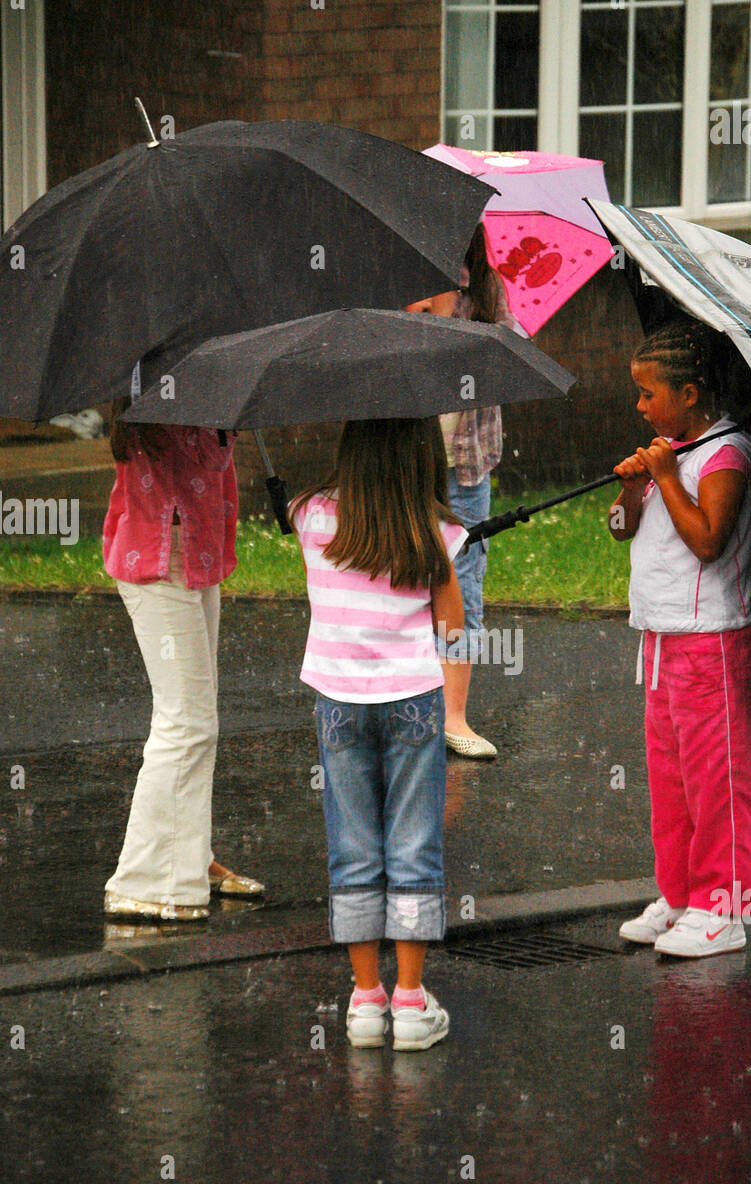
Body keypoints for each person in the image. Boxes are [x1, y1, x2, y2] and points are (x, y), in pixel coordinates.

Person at [290, 417, 467, 1050]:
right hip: (413, 700)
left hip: (337, 701)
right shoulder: (434, 529)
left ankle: (365, 1001)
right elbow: (451, 630)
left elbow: (304, 521)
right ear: (422, 456)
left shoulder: (310, 513)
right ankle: (412, 1002)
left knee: (355, 844)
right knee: (414, 842)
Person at [609, 318, 751, 958]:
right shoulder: (668, 452)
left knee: (718, 782)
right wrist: (635, 486)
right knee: (671, 781)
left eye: (650, 393)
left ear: (690, 393)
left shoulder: (727, 454)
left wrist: (669, 478)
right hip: (660, 641)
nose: (641, 405)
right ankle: (679, 895)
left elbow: (708, 540)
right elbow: (623, 529)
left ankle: (723, 908)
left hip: (712, 641)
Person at [103, 402, 264, 922]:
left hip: (197, 552)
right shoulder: (157, 387)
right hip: (156, 556)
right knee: (187, 723)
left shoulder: (210, 376)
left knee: (198, 719)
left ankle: (188, 857)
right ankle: (143, 882)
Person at [407, 224, 524, 759]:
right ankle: (410, 702)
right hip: (410, 460)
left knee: (465, 586)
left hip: (468, 465)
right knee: (405, 580)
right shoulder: (403, 279)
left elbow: (515, 353)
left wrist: (477, 334)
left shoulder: (486, 287)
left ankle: (454, 715)